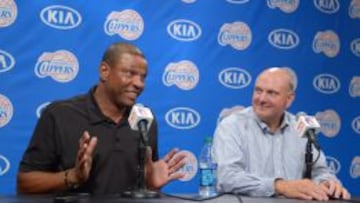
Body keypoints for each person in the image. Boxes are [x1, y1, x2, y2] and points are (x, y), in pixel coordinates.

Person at [17, 42, 186, 195]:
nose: (139, 83)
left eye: (143, 77)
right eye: (130, 73)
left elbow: (145, 185)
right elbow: (24, 183)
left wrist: (151, 186)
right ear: (104, 71)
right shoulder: (59, 114)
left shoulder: (145, 121)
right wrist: (73, 177)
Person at [213, 67, 351, 201]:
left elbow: (320, 170)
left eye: (271, 93)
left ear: (289, 99)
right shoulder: (232, 126)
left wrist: (326, 183)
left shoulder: (300, 126)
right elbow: (227, 177)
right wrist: (280, 186)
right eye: (258, 91)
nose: (261, 99)